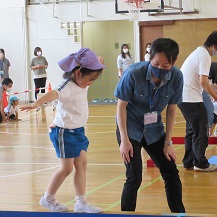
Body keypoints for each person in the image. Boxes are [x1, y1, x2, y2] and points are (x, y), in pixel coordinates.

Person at [21, 48, 105, 213]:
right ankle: (48, 198)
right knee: (67, 168)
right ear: (78, 73)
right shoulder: (66, 86)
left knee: (82, 165)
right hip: (63, 132)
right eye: (90, 79)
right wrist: (36, 104)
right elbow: (53, 93)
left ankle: (80, 202)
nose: (91, 83)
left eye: (94, 80)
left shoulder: (83, 81)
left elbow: (93, 67)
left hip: (78, 131)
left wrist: (97, 63)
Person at [114, 38, 185, 213]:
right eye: (156, 63)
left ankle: (179, 213)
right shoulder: (133, 73)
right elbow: (121, 106)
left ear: (174, 62)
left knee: (171, 172)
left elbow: (171, 109)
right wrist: (124, 140)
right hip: (130, 127)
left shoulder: (177, 76)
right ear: (150, 57)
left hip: (154, 129)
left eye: (165, 65)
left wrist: (168, 143)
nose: (159, 68)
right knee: (134, 177)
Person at [178, 31, 217, 172]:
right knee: (201, 131)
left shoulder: (199, 52)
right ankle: (200, 163)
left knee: (192, 130)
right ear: (215, 46)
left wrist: (216, 93)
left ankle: (189, 161)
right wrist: (216, 96)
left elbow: (205, 82)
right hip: (191, 98)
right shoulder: (205, 55)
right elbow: (203, 82)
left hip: (183, 97)